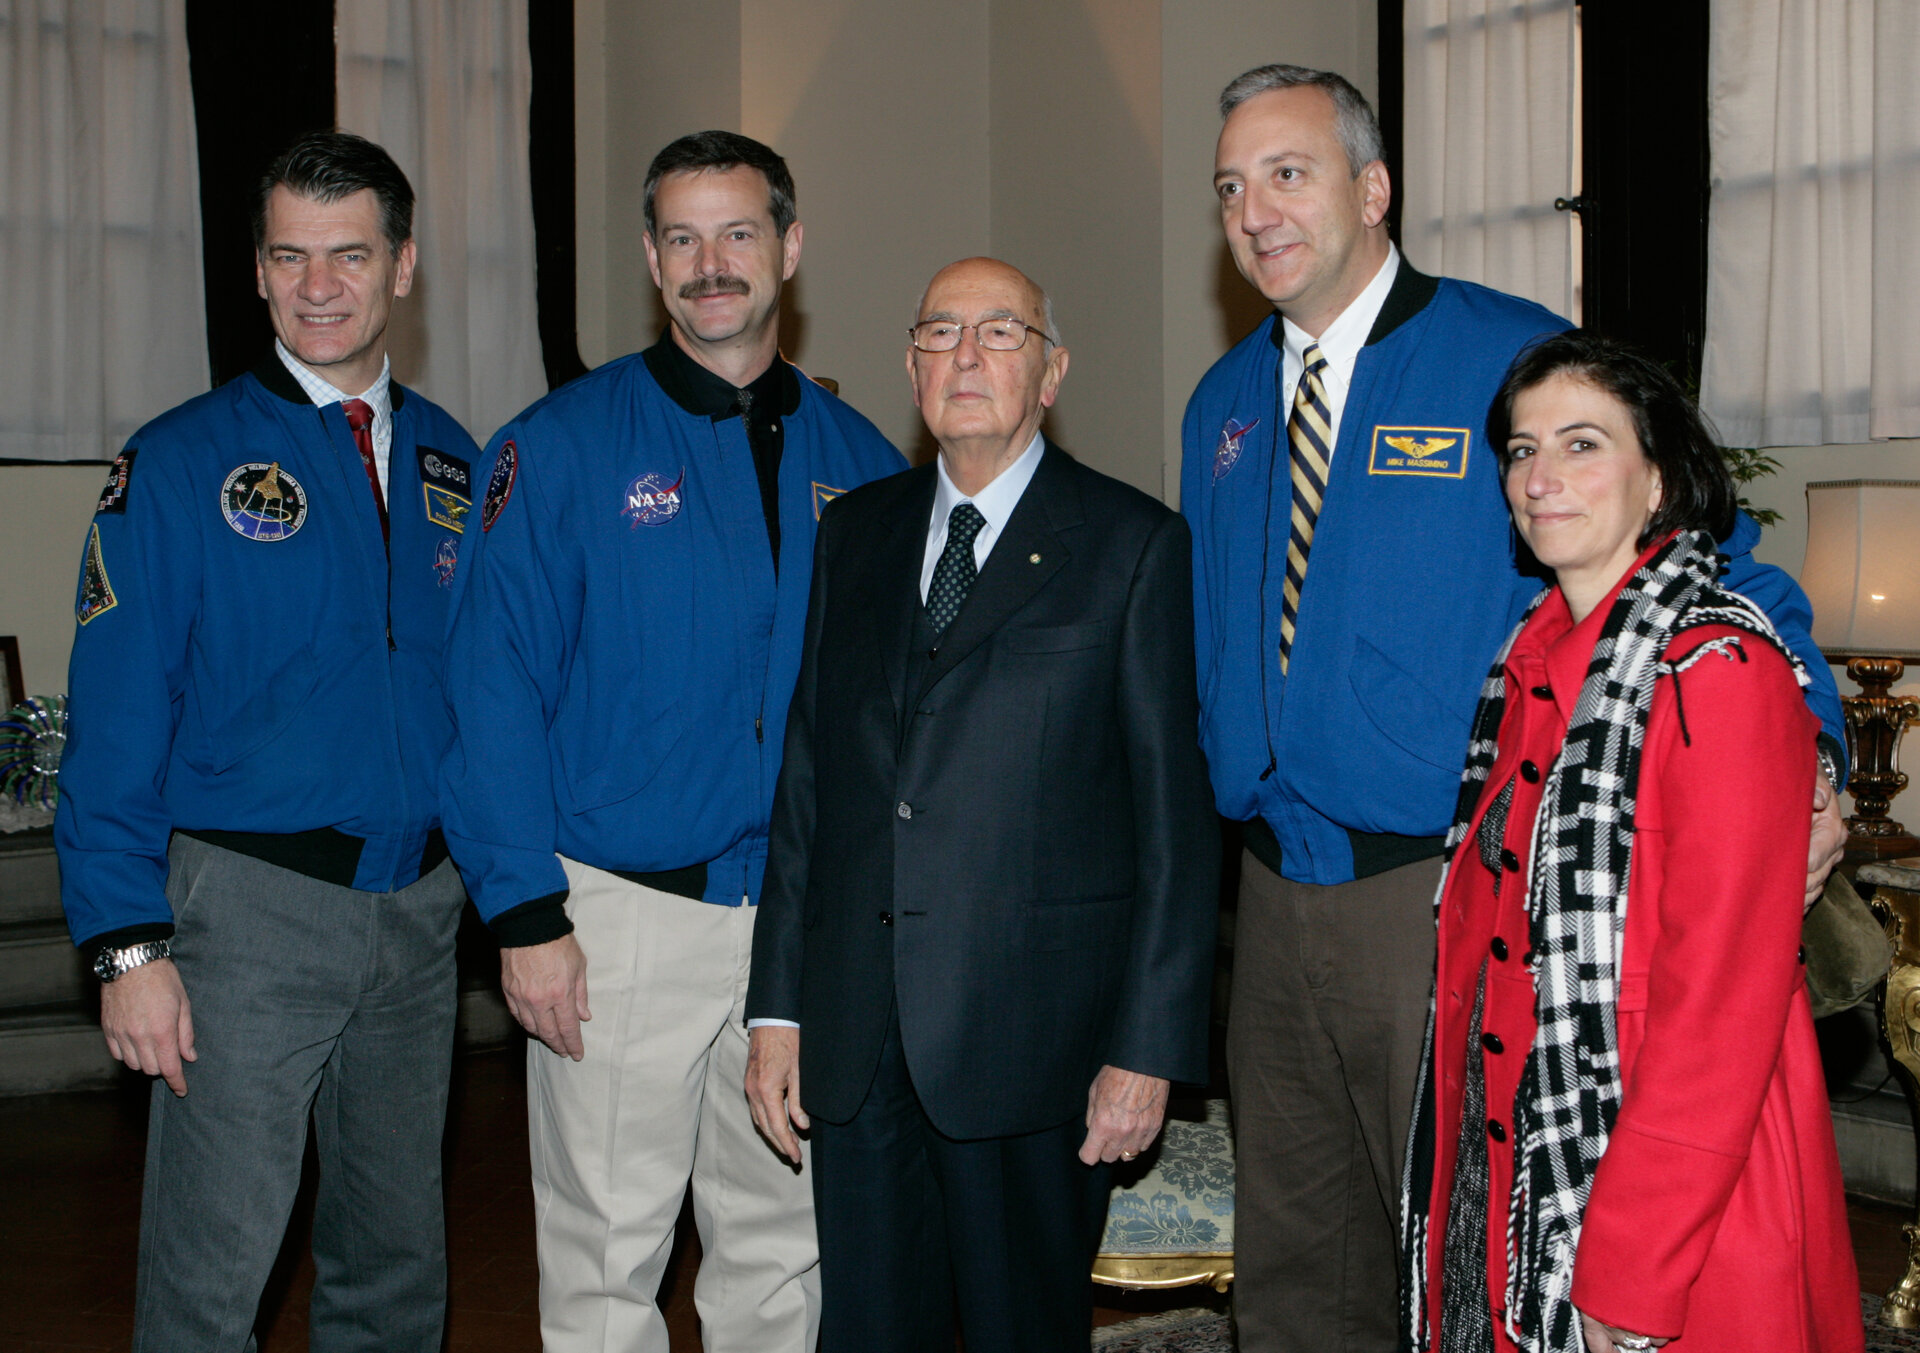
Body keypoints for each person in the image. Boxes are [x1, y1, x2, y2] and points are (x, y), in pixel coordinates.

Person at [1180, 64, 1851, 1352]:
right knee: (1294, 1270)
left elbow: (1725, 549)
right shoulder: (1223, 406)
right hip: (1267, 896)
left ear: (1374, 191)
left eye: (1288, 173)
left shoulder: (1509, 353)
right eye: (1230, 186)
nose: (1255, 209)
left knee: (1457, 1263)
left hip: (1441, 895)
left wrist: (1814, 747)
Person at [441, 130, 902, 1351]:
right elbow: (488, 689)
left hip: (798, 927)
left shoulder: (864, 464)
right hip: (617, 918)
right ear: (652, 259)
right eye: (684, 238)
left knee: (783, 1254)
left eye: (739, 233)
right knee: (604, 1264)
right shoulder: (560, 448)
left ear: (789, 249)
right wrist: (526, 917)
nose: (713, 264)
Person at [744, 257, 1219, 1352]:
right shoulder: (851, 534)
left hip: (1035, 1050)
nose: (965, 355)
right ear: (911, 368)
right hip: (859, 1043)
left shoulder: (1133, 545)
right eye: (940, 333)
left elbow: (1172, 825)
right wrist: (779, 1012)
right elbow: (811, 781)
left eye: (999, 333)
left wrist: (1146, 1050)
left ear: (1051, 373)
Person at [54, 131, 477, 1350]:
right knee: (211, 1273)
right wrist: (127, 945)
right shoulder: (179, 463)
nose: (319, 284)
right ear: (256, 272)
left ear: (402, 267)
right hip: (245, 913)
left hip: (418, 914)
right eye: (290, 256)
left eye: (349, 254)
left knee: (394, 1263)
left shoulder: (459, 458)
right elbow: (117, 715)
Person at [1399, 332, 1863, 1353]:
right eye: (1522, 452)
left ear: (1659, 479)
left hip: (1677, 1193)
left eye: (1581, 444)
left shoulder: (1718, 670)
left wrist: (1632, 1262)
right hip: (1513, 1170)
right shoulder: (1524, 665)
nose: (1541, 477)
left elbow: (1720, 1008)